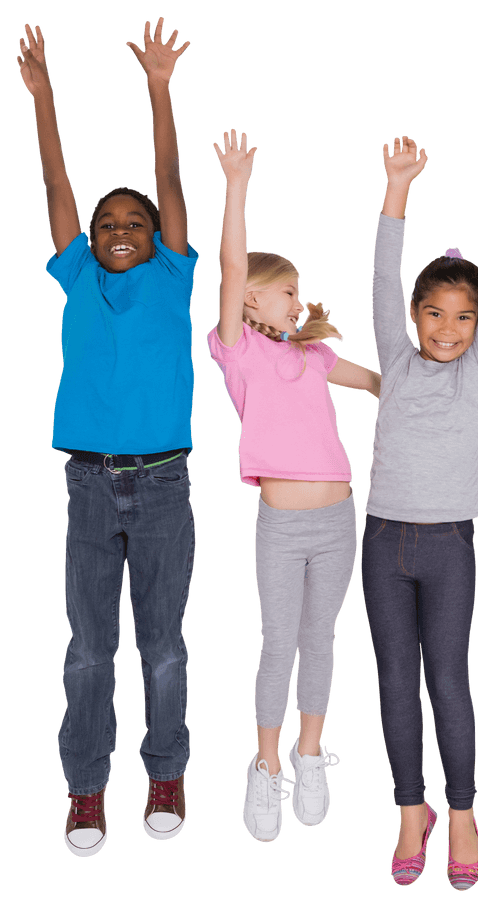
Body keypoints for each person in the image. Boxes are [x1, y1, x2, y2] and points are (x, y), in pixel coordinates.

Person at [18, 18, 198, 857]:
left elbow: (167, 171)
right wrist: (41, 91)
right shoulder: (79, 277)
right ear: (87, 241)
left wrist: (158, 86)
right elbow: (57, 180)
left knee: (161, 645)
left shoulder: (171, 272)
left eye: (136, 218)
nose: (121, 225)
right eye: (106, 221)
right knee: (90, 648)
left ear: (158, 235)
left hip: (164, 484)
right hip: (88, 484)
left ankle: (166, 772)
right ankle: (85, 792)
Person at [206, 130, 379, 843]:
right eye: (286, 293)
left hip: (339, 520)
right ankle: (265, 764)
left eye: (298, 293)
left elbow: (374, 382)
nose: (297, 301)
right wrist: (238, 187)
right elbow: (227, 263)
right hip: (280, 525)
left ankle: (311, 754)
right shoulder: (236, 350)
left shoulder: (313, 353)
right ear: (250, 301)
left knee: (322, 641)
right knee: (278, 642)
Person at [364, 136, 478, 890]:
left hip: (451, 542)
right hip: (383, 538)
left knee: (448, 680)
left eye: (464, 317)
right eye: (435, 313)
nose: (449, 329)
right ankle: (410, 812)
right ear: (412, 315)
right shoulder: (395, 355)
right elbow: (383, 267)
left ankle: (461, 814)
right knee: (396, 678)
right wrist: (397, 185)